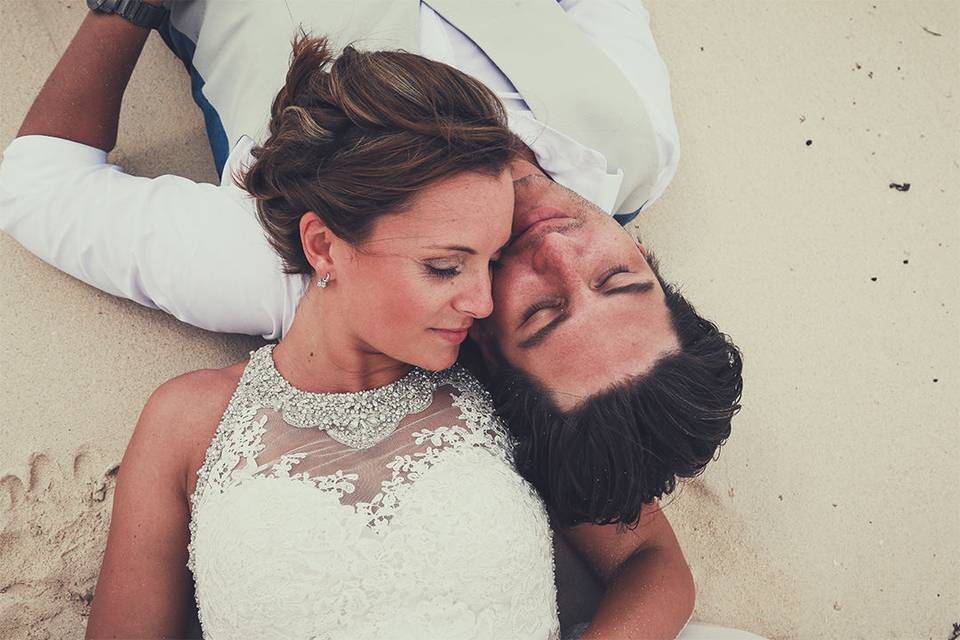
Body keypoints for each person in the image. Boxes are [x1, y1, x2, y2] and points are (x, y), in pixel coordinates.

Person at [1, 1, 760, 639]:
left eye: (540, 309)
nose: (560, 249)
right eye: (616, 276)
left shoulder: (279, 258)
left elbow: (36, 185)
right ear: (647, 253)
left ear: (483, 349)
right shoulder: (640, 145)